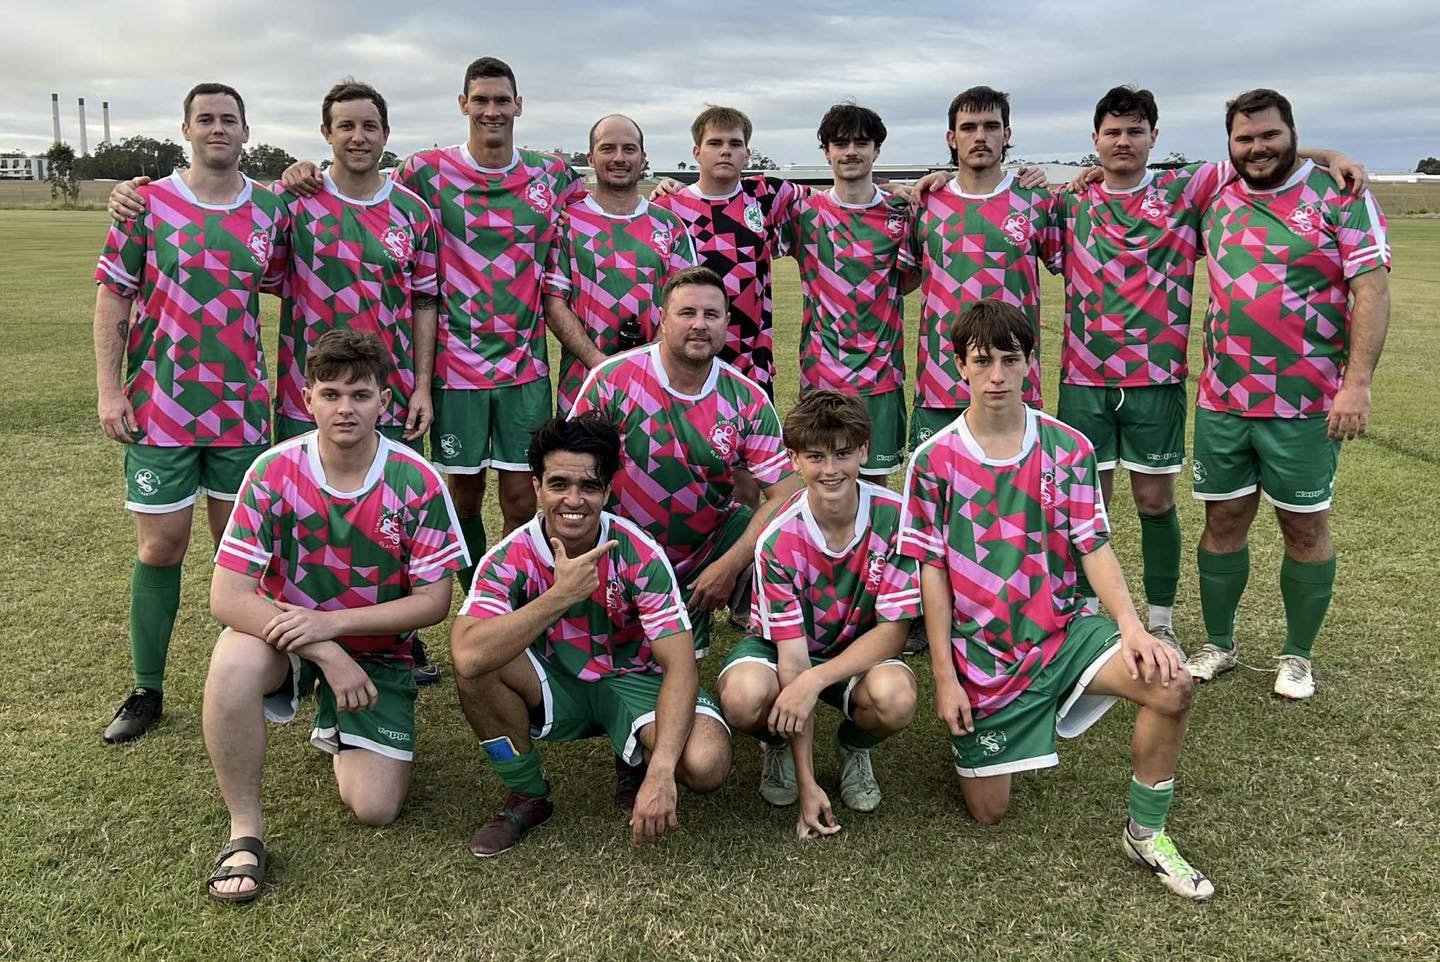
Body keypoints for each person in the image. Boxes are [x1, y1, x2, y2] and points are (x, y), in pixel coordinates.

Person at [105, 79, 449, 684]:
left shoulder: (412, 213)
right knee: (296, 539)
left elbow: (425, 303)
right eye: (346, 125)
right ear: (327, 134)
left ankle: (396, 643)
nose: (358, 136)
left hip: (381, 399)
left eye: (370, 126)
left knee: (387, 530)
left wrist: (420, 385)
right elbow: (175, 266)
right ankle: (205, 675)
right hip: (298, 396)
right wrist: (129, 192)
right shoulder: (289, 205)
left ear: (386, 134)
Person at [899, 300, 1213, 901]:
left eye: (1009, 361)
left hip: (1063, 634)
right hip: (982, 657)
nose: (996, 376)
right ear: (959, 367)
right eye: (982, 361)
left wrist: (1131, 625)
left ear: (1028, 366)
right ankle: (992, 736)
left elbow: (1092, 545)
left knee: (1172, 683)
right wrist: (944, 676)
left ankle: (1145, 832)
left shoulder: (1069, 449)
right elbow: (930, 572)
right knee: (989, 812)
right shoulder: (933, 459)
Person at [1053, 85, 1369, 631]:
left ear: (1155, 136)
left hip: (1157, 378)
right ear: (1095, 141)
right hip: (1082, 377)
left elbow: (1264, 154)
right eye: (1112, 132)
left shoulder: (1188, 187)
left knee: (1155, 503)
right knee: (1087, 507)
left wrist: (1333, 156)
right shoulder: (1070, 200)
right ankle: (1083, 614)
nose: (1123, 141)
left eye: (1135, 131)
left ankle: (1161, 617)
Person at [279, 57, 584, 594]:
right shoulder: (424, 171)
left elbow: (604, 204)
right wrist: (301, 170)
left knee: (520, 497)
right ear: (463, 105)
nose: (492, 110)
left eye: (502, 100)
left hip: (525, 365)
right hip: (454, 366)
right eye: (481, 100)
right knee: (460, 496)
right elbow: (360, 186)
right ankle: (478, 600)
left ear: (519, 105)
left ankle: (514, 593)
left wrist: (666, 194)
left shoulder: (552, 174)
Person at [203, 329, 467, 902]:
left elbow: (433, 602)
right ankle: (245, 832)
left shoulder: (416, 480)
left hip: (378, 651)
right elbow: (227, 598)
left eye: (360, 394)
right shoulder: (272, 472)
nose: (345, 408)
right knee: (232, 659)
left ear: (384, 401)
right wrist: (322, 647)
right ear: (307, 399)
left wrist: (336, 628)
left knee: (375, 808)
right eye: (331, 394)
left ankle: (338, 716)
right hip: (291, 640)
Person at [93, 82, 288, 743]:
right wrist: (109, 390)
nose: (217, 128)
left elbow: (299, 270)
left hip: (240, 407)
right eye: (205, 118)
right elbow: (115, 300)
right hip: (161, 404)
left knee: (241, 557)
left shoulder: (269, 212)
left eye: (228, 119)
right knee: (161, 545)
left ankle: (255, 677)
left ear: (245, 130)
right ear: (185, 129)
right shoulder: (147, 204)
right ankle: (147, 689)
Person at [1186, 89, 1390, 699]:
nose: (1257, 148)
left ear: (1292, 132)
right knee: (1222, 520)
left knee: (1304, 528)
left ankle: (1297, 656)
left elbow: (1372, 292)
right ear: (1228, 144)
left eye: (1270, 135)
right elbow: (1133, 178)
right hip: (1223, 398)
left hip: (1306, 404)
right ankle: (1219, 645)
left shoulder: (1341, 194)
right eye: (1245, 139)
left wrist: (1357, 385)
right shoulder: (1213, 194)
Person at [450, 414, 732, 856]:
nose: (573, 500)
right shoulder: (509, 556)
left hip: (636, 681)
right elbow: (466, 655)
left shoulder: (639, 552)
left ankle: (636, 759)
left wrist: (661, 772)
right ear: (537, 486)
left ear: (609, 491)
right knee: (480, 665)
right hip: (555, 681)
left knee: (706, 762)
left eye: (590, 486)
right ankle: (528, 795)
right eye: (559, 484)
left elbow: (680, 664)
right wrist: (560, 596)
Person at [571, 266, 804, 657]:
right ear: (662, 319)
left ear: (727, 323)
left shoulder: (748, 399)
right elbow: (572, 475)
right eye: (687, 313)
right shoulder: (611, 381)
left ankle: (755, 619)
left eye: (711, 315)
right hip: (619, 552)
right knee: (613, 662)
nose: (699, 324)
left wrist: (728, 567)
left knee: (750, 521)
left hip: (701, 557)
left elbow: (786, 496)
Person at [717, 392, 920, 836]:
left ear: (864, 450)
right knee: (742, 695)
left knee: (897, 696)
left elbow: (893, 632)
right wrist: (809, 786)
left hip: (857, 649)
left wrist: (813, 682)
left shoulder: (897, 518)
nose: (830, 470)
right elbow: (793, 660)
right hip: (783, 650)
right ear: (793, 459)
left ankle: (853, 746)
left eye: (843, 453)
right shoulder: (776, 538)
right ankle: (780, 745)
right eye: (815, 456)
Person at [770, 104, 918, 478]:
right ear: (827, 152)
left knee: (876, 481)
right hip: (822, 373)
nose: (851, 151)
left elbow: (909, 279)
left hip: (882, 375)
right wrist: (674, 189)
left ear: (876, 150)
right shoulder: (802, 213)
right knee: (821, 480)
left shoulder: (901, 212)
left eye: (861, 142)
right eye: (840, 143)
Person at [907, 86, 1060, 450]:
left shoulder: (1036, 200)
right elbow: (903, 278)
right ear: (952, 137)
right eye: (969, 127)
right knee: (940, 498)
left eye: (991, 126)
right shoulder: (926, 202)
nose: (980, 136)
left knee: (1016, 495)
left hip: (1013, 377)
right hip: (940, 381)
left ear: (1006, 135)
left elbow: (1077, 267)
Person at [544, 114, 697, 413]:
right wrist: (601, 366)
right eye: (607, 148)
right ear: (591, 157)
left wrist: (646, 364)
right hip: (583, 384)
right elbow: (554, 303)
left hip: (658, 382)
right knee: (583, 460)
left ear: (643, 158)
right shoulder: (566, 222)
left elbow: (686, 303)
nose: (619, 158)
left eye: (629, 149)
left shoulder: (669, 225)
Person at [649, 105, 803, 397]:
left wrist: (891, 190)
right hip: (686, 356)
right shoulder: (668, 208)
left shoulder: (765, 194)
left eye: (735, 144)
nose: (725, 151)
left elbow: (838, 199)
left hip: (751, 362)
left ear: (747, 153)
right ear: (697, 152)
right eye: (715, 143)